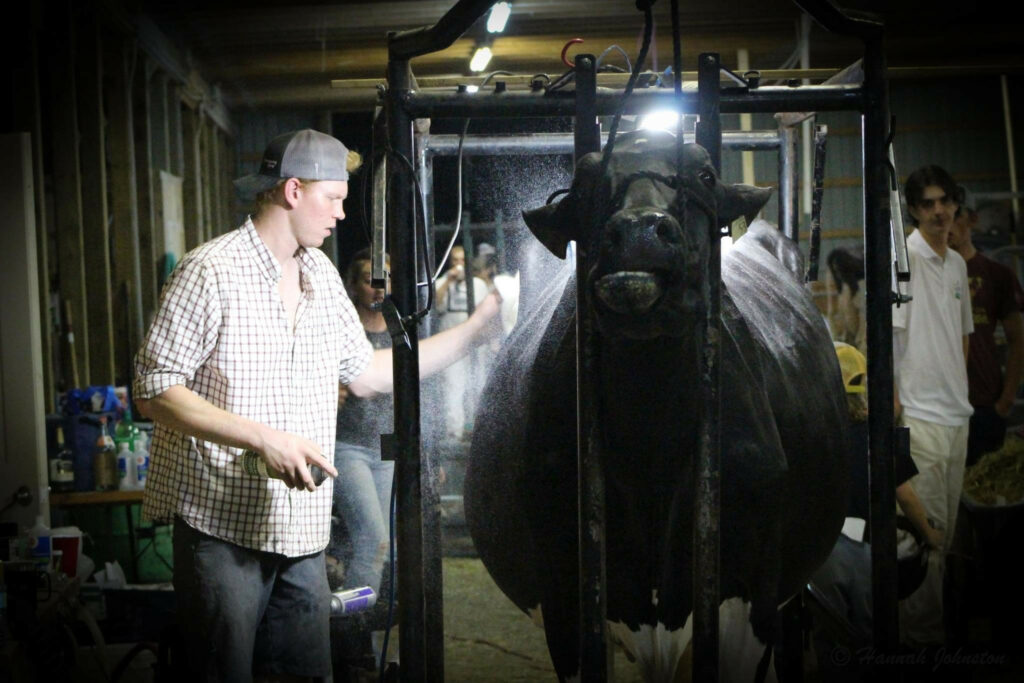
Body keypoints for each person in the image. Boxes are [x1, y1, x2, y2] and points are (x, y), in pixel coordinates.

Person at [132, 129, 500, 682]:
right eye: (334, 197)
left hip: (302, 532)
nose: (341, 212)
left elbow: (371, 374)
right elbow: (154, 389)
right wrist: (261, 437)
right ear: (293, 191)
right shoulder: (209, 271)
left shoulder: (321, 276)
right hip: (222, 526)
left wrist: (473, 332)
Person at [811, 343, 942, 676]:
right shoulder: (876, 436)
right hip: (864, 556)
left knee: (829, 644)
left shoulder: (813, 435)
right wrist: (929, 533)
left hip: (819, 558)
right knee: (870, 643)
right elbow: (906, 495)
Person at [892, 164, 974, 647]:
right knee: (924, 541)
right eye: (928, 203)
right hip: (920, 418)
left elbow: (964, 337)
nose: (939, 210)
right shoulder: (907, 258)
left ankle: (934, 643)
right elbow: (888, 336)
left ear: (955, 204)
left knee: (943, 543)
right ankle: (918, 650)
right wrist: (898, 404)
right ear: (915, 210)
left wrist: (958, 390)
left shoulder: (959, 264)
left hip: (955, 416)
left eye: (945, 200)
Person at [947, 186, 1024, 466]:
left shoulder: (996, 275)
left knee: (985, 482)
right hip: (944, 403)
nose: (948, 226)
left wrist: (1006, 400)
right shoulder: (929, 275)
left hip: (986, 400)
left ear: (972, 219)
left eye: (956, 216)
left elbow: (1017, 339)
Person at [433, 244, 490, 440]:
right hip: (449, 334)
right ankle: (454, 431)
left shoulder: (478, 284)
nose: (458, 264)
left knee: (477, 380)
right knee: (453, 383)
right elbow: (436, 306)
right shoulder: (441, 282)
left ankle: (477, 429)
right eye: (454, 260)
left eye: (462, 260)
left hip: (474, 337)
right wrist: (448, 281)